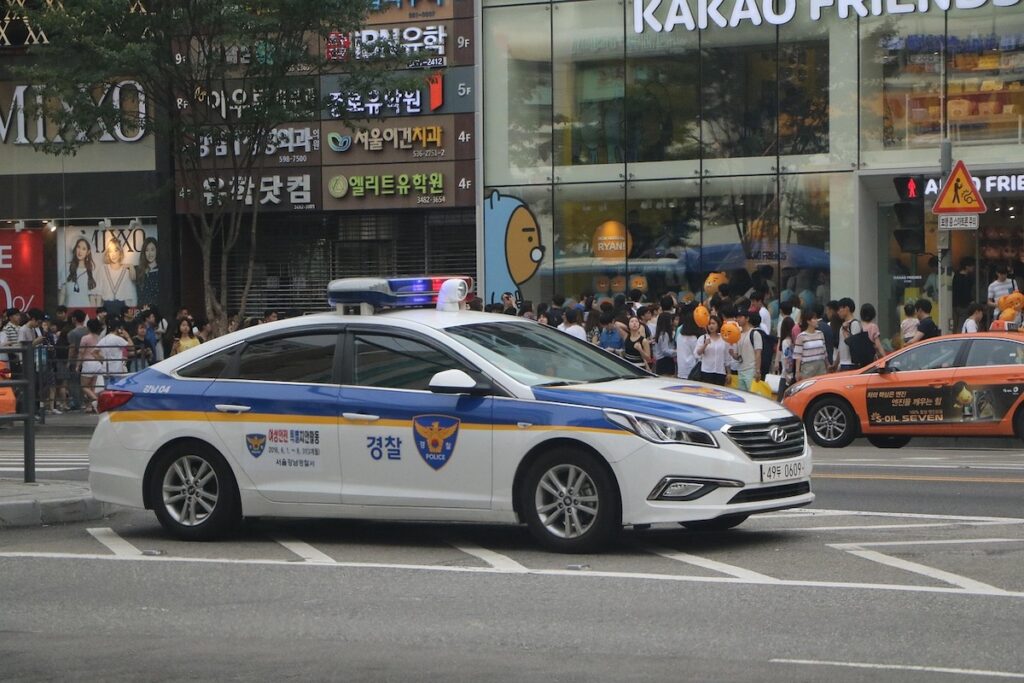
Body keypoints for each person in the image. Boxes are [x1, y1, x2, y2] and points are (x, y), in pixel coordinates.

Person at [98, 240, 137, 316]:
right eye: (111, 251)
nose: (113, 254)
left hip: (122, 306)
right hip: (106, 305)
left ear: (120, 252)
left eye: (116, 250)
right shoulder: (103, 269)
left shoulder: (126, 271)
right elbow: (99, 290)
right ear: (108, 253)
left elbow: (133, 279)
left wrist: (131, 266)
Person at [59, 238, 100, 308]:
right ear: (75, 248)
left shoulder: (91, 270)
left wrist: (94, 314)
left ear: (88, 252)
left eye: (84, 249)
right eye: (78, 247)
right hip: (70, 308)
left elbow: (92, 296)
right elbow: (63, 292)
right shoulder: (67, 267)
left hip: (86, 309)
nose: (80, 251)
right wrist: (60, 309)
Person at [793, 305, 829, 381]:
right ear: (808, 321)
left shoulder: (820, 333)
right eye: (814, 319)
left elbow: (824, 351)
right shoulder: (801, 336)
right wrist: (797, 371)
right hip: (807, 367)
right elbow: (798, 355)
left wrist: (827, 364)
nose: (816, 320)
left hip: (821, 365)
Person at [730, 309, 762, 391]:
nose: (738, 319)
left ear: (747, 318)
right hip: (740, 370)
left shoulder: (754, 333)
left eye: (740, 317)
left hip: (751, 370)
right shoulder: (738, 334)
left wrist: (757, 370)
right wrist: (733, 355)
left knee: (752, 395)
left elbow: (758, 353)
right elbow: (738, 356)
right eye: (737, 317)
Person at [694, 315, 729, 386]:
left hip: (720, 372)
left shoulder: (723, 339)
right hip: (706, 371)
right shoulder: (703, 338)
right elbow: (697, 354)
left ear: (718, 325)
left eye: (713, 323)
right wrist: (705, 345)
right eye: (709, 324)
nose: (711, 326)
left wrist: (729, 373)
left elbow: (727, 357)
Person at [79, 319, 104, 412]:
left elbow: (81, 352)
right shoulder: (100, 338)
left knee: (84, 386)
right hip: (98, 363)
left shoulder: (85, 338)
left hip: (88, 362)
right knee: (92, 387)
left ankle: (97, 401)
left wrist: (78, 364)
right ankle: (90, 407)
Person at [834, 297, 863, 373]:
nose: (838, 312)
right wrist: (836, 364)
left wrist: (844, 330)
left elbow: (853, 343)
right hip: (843, 363)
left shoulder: (854, 324)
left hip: (851, 364)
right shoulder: (843, 325)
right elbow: (841, 347)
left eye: (840, 309)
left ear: (847, 308)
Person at [675, 300, 701, 380]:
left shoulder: (679, 335)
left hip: (681, 369)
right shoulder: (693, 338)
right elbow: (697, 354)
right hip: (691, 369)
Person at [952, 257, 976, 330]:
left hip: (955, 304)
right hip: (964, 306)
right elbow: (966, 293)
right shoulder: (966, 278)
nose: (973, 268)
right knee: (961, 325)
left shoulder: (956, 276)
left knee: (954, 325)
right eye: (972, 266)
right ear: (967, 267)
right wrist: (970, 301)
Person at [137, 236, 159, 309]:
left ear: (157, 250)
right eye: (147, 250)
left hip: (157, 310)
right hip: (143, 312)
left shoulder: (161, 271)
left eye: (152, 250)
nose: (150, 254)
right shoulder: (140, 271)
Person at [651, 312, 676, 376]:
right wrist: (676, 352)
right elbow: (665, 350)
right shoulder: (664, 334)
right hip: (665, 362)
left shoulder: (660, 333)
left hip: (662, 361)